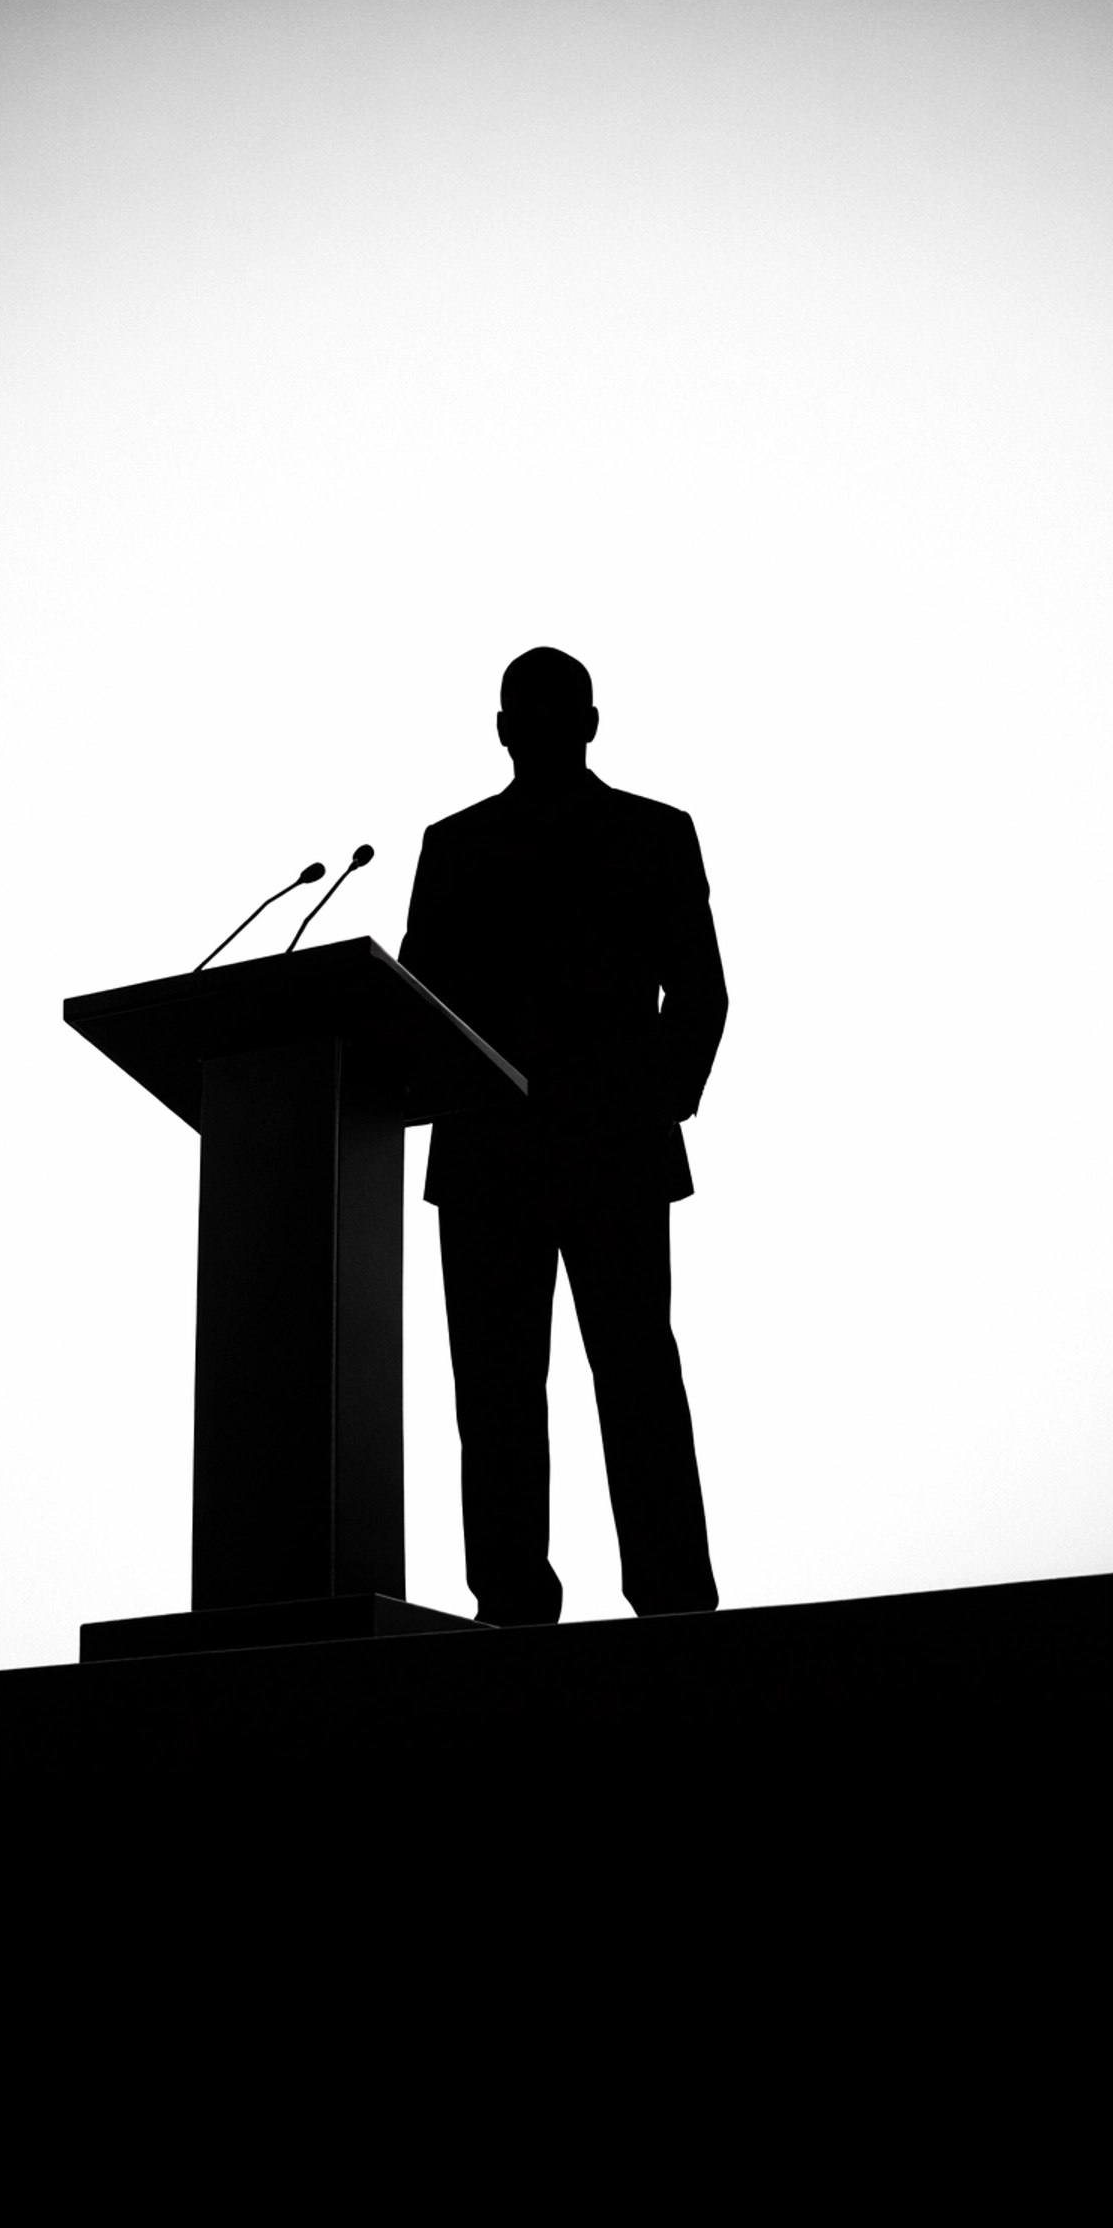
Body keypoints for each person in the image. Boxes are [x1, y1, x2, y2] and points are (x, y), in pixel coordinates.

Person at [398, 646, 728, 1624]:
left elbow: (702, 994)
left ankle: (658, 1599)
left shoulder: (650, 835)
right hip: (508, 1151)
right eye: (528, 714)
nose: (538, 730)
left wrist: (646, 1104)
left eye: (549, 713)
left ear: (582, 724)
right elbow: (419, 1004)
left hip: (584, 1148)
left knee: (623, 1378)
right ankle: (524, 1606)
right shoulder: (456, 848)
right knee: (509, 1393)